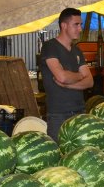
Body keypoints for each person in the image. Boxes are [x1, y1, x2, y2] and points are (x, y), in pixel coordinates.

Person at [40, 8, 93, 140]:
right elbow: (61, 77)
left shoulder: (77, 51)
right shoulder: (50, 47)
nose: (80, 29)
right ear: (64, 25)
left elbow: (90, 81)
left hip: (80, 112)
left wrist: (69, 84)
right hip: (58, 115)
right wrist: (80, 75)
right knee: (59, 156)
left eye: (80, 24)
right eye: (76, 24)